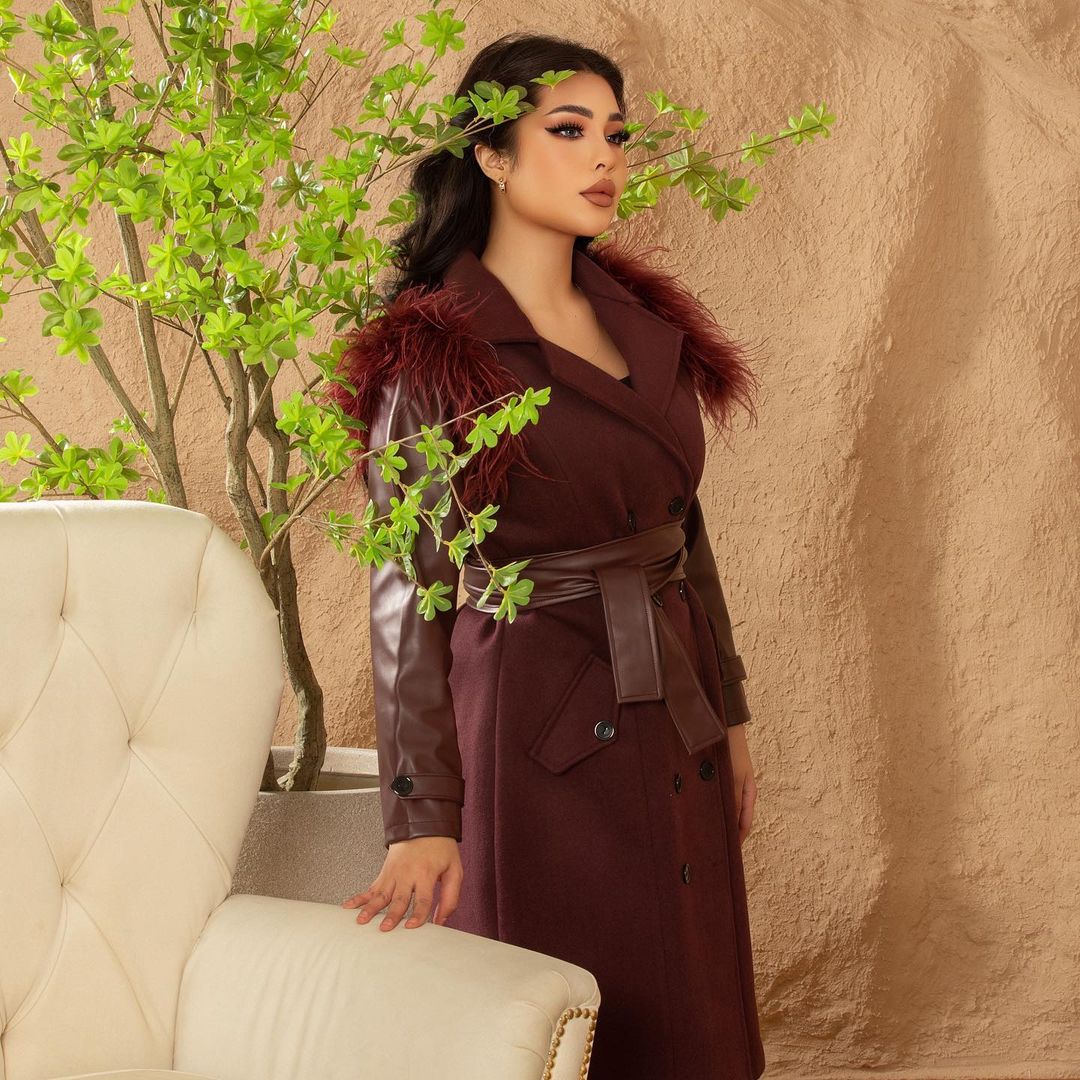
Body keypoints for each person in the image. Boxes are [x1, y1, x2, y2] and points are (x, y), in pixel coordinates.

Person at [331, 32, 767, 1080]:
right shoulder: (434, 356)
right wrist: (422, 816)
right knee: (558, 1007)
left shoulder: (642, 324)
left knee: (690, 1012)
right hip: (533, 722)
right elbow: (408, 594)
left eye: (615, 133)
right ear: (490, 154)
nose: (604, 157)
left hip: (676, 705)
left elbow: (680, 527)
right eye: (567, 131)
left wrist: (733, 710)